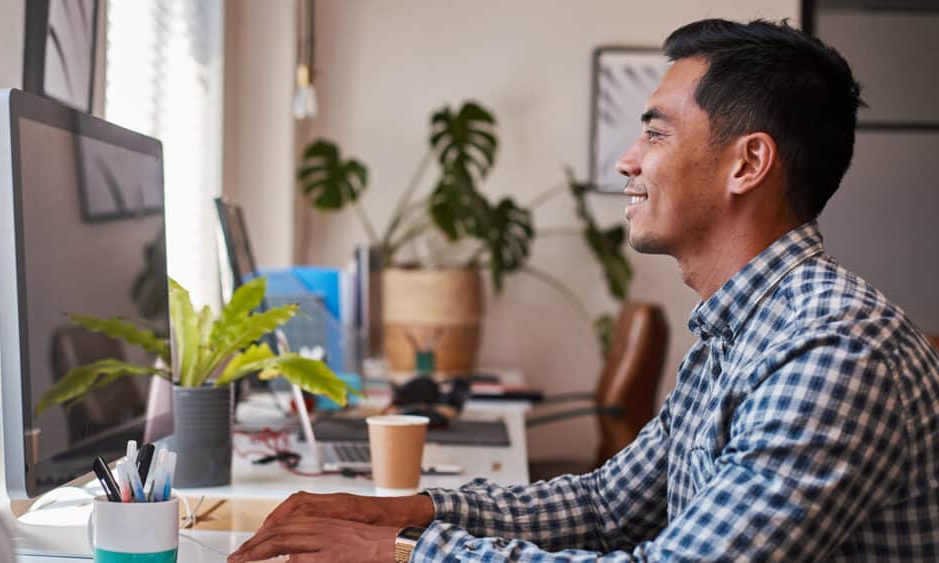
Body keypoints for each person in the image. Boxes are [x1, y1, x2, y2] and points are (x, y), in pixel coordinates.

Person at [229, 18, 939, 562]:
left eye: (656, 135)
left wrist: (403, 552)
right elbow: (604, 504)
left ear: (748, 163)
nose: (628, 161)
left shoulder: (834, 345)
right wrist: (405, 511)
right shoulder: (740, 329)